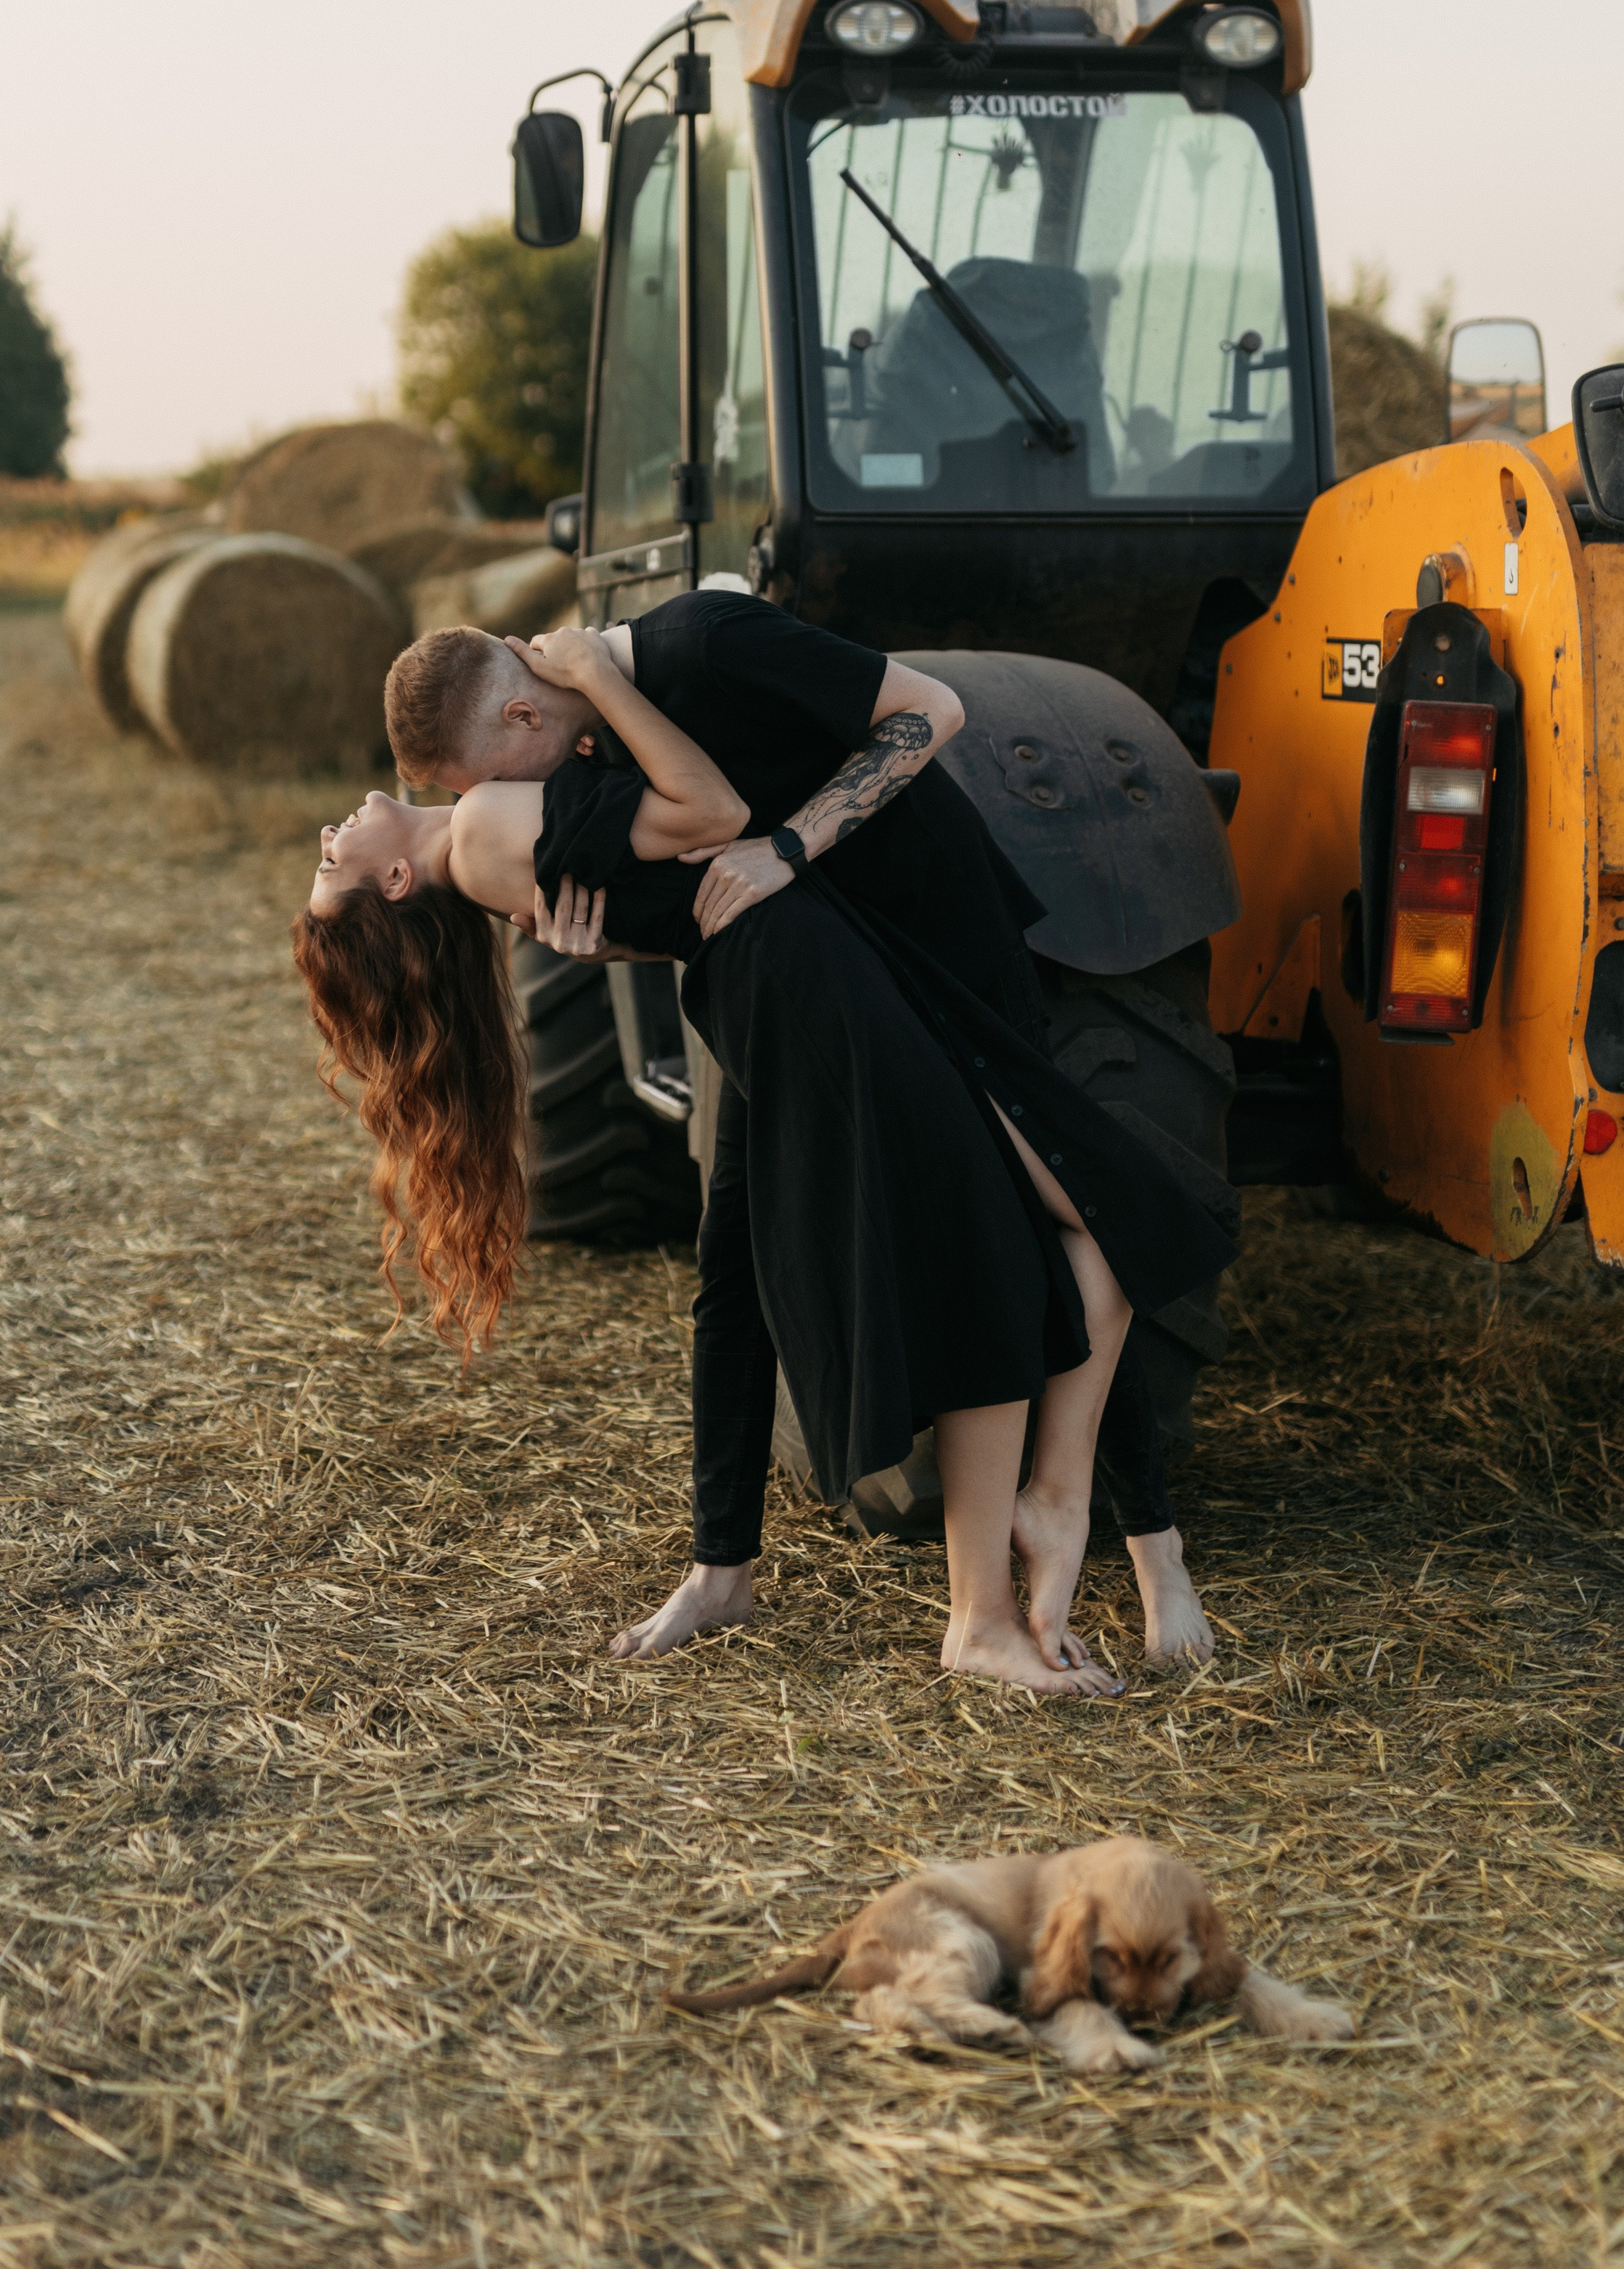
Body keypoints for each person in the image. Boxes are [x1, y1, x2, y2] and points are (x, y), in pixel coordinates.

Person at [302, 627, 1235, 1695]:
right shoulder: (486, 823)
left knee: (1046, 1225)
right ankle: (980, 1583)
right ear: (396, 881)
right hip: (808, 980)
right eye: (334, 864)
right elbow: (708, 846)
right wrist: (615, 919)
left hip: (891, 950)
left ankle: (1084, 1532)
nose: (331, 830)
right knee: (1031, 1234)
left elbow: (728, 841)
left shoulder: (608, 723)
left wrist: (639, 903)